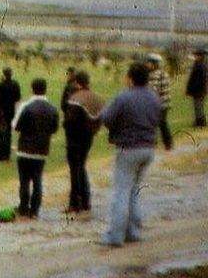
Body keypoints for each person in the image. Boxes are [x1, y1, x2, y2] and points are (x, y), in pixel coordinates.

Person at [98, 62, 163, 247]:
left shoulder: (123, 97)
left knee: (121, 192)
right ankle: (133, 231)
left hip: (128, 148)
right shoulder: (154, 98)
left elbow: (108, 118)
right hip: (148, 148)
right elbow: (158, 118)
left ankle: (115, 236)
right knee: (133, 191)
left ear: (130, 78)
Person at [10, 78, 60, 219]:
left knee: (24, 180)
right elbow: (55, 129)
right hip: (42, 150)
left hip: (25, 149)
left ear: (32, 89)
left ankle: (24, 207)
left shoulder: (26, 106)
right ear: (45, 89)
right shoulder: (52, 109)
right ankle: (35, 209)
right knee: (37, 179)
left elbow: (15, 126)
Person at [62, 70, 105, 213]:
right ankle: (86, 202)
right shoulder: (97, 98)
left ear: (76, 82)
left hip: (74, 139)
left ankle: (75, 203)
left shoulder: (75, 98)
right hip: (89, 137)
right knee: (82, 167)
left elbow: (69, 121)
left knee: (75, 170)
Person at [146, 54, 173, 150]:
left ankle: (153, 143)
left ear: (154, 64)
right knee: (163, 124)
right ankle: (168, 144)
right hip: (165, 103)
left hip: (158, 104)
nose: (147, 65)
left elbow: (153, 90)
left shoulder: (154, 75)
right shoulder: (164, 73)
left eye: (148, 63)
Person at [0, 68, 21, 161]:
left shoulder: (1, 85)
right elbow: (17, 97)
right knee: (8, 133)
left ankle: (2, 154)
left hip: (2, 111)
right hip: (11, 110)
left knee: (2, 132)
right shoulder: (15, 84)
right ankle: (7, 154)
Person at [188, 47, 207, 128]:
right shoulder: (198, 64)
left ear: (200, 56)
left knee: (198, 106)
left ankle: (200, 122)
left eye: (196, 55)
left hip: (199, 90)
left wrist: (194, 88)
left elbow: (199, 80)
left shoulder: (201, 66)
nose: (195, 57)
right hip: (199, 90)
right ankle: (199, 120)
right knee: (198, 106)